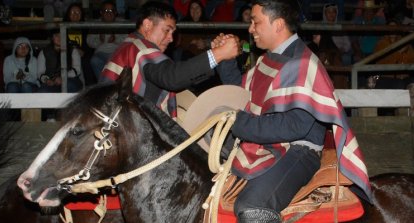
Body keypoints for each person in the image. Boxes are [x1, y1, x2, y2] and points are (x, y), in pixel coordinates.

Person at [213, 0, 372, 221]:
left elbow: (295, 125)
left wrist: (237, 123)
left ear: (277, 24)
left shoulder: (303, 64)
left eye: (255, 22)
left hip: (299, 150)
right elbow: (243, 96)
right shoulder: (269, 58)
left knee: (251, 207)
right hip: (268, 142)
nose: (250, 29)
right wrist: (225, 60)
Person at [100, 1, 239, 118]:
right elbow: (172, 77)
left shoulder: (129, 44)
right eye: (167, 30)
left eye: (173, 32)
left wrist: (217, 56)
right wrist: (218, 54)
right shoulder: (141, 49)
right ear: (147, 25)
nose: (171, 38)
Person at [87, 0, 127, 81]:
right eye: (106, 11)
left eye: (111, 10)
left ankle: (104, 88)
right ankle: (107, 86)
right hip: (100, 53)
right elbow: (89, 42)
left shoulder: (122, 23)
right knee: (94, 61)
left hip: (116, 53)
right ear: (101, 13)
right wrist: (99, 40)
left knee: (110, 63)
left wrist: (116, 39)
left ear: (115, 12)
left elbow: (127, 40)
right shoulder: (95, 24)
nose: (109, 13)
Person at [63, 2, 96, 86]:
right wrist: (73, 51)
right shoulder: (62, 27)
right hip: (67, 54)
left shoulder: (86, 28)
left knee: (88, 62)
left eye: (78, 13)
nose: (75, 15)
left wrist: (84, 52)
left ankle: (89, 89)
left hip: (83, 56)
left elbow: (90, 46)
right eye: (73, 12)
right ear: (68, 14)